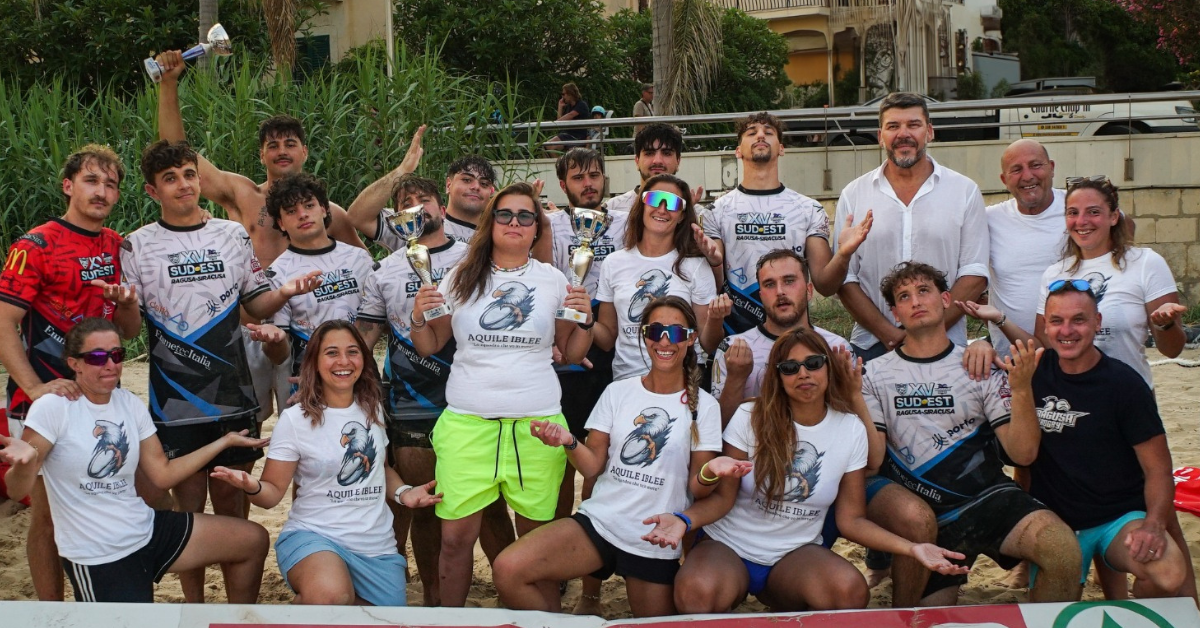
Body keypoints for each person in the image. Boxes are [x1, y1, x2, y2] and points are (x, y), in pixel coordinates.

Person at [121, 139, 320, 602]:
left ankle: (240, 611)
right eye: (170, 179)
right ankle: (194, 607)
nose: (184, 185)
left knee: (232, 507)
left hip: (233, 394)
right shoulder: (138, 243)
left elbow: (254, 304)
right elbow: (128, 327)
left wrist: (285, 292)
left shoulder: (231, 236)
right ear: (153, 191)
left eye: (189, 174)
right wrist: (127, 307)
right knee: (187, 512)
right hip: (175, 398)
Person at [674, 328, 967, 613]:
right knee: (697, 593)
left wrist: (912, 548)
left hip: (793, 555)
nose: (803, 373)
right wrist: (684, 521)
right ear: (778, 375)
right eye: (790, 367)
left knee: (848, 591)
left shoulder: (849, 428)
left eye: (813, 364)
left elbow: (851, 520)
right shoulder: (751, 416)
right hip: (729, 546)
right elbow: (721, 500)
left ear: (828, 368)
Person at [153, 49, 366, 433]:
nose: (281, 151)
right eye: (272, 145)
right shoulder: (242, 194)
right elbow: (177, 153)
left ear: (304, 150)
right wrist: (169, 86)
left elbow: (365, 272)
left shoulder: (328, 212)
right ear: (261, 154)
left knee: (305, 419)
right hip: (247, 325)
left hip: (301, 333)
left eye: (289, 144)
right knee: (246, 421)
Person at [494, 296, 743, 616]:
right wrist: (568, 441)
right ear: (644, 335)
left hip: (653, 537)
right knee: (508, 569)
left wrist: (712, 471)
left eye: (676, 332)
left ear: (691, 338)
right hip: (600, 523)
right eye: (656, 331)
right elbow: (593, 464)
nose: (665, 341)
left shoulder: (704, 406)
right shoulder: (617, 392)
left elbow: (698, 490)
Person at [409, 181, 596, 607]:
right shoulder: (459, 276)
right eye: (505, 214)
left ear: (536, 229)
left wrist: (584, 320)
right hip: (468, 424)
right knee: (455, 541)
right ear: (490, 222)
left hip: (538, 429)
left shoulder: (553, 281)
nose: (515, 222)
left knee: (537, 545)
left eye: (525, 216)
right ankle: (451, 620)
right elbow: (431, 343)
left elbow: (571, 351)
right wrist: (418, 317)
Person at [0, 318, 269, 603]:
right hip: (97, 553)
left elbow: (163, 475)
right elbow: (17, 491)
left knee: (252, 540)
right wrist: (25, 464)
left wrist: (223, 442)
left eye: (117, 355)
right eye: (97, 357)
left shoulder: (128, 402)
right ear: (74, 363)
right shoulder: (53, 407)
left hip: (144, 529)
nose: (110, 364)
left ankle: (237, 621)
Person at [861, 261, 1081, 607]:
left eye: (924, 291)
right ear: (895, 313)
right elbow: (872, 461)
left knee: (1062, 548)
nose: (916, 301)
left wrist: (1021, 389)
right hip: (925, 509)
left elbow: (1022, 455)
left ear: (946, 299)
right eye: (904, 296)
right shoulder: (873, 374)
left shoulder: (980, 365)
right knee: (924, 613)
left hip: (986, 498)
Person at [354, 172, 514, 606]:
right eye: (405, 203)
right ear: (396, 217)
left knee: (492, 506)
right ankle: (432, 598)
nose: (416, 209)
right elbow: (365, 337)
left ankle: (514, 590)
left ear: (440, 208)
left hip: (474, 398)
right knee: (424, 507)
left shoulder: (476, 259)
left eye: (423, 199)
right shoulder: (384, 270)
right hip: (411, 402)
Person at [212, 320, 442, 606]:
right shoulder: (296, 419)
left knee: (377, 619)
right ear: (315, 362)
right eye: (331, 352)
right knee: (331, 596)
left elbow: (380, 470)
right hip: (315, 538)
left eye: (353, 352)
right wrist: (251, 486)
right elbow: (271, 494)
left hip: (376, 549)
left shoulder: (372, 407)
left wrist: (404, 493)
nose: (344, 361)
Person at [0, 145, 140, 601]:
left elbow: (129, 333)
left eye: (110, 184)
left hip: (99, 396)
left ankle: (94, 598)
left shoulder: (117, 246)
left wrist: (127, 307)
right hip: (47, 399)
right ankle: (50, 611)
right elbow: (4, 322)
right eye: (91, 181)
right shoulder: (35, 245)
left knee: (97, 498)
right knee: (46, 515)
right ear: (68, 185)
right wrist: (37, 388)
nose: (101, 192)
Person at [1005, 280, 1194, 599]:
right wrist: (983, 347)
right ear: (1046, 327)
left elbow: (1159, 469)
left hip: (1116, 519)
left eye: (1078, 319)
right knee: (1051, 611)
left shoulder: (1124, 384)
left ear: (1097, 322)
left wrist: (1154, 524)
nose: (1067, 330)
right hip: (1056, 523)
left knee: (1168, 571)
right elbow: (1022, 461)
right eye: (1057, 321)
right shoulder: (1032, 373)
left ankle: (1134, 617)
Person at [832, 92, 989, 361]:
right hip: (873, 346)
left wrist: (933, 329)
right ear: (880, 135)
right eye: (893, 126)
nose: (903, 134)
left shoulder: (964, 191)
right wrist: (888, 332)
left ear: (929, 131)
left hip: (947, 343)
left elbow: (974, 274)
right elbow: (845, 278)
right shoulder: (854, 194)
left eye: (913, 125)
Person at [702, 112, 872, 334]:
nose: (760, 136)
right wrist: (713, 262)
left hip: (794, 342)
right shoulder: (716, 211)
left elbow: (825, 285)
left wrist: (843, 254)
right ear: (738, 151)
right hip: (736, 341)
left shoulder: (808, 209)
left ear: (781, 148)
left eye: (768, 132)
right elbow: (713, 287)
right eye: (752, 133)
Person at [255, 173, 376, 405]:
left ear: (323, 209)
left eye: (309, 205)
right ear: (281, 223)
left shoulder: (359, 259)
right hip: (309, 385)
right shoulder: (277, 274)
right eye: (291, 211)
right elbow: (279, 356)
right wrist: (274, 341)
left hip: (363, 377)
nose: (302, 215)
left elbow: (378, 322)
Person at [594, 174, 723, 382]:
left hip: (683, 381)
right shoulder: (613, 263)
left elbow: (709, 344)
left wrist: (716, 319)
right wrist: (582, 319)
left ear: (682, 215)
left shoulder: (696, 265)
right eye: (654, 199)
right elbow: (607, 339)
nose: (662, 209)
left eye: (672, 203)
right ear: (642, 205)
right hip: (627, 380)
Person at [711, 250, 849, 425]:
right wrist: (736, 379)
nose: (780, 291)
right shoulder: (732, 348)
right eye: (769, 284)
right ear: (760, 296)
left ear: (808, 290)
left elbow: (852, 423)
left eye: (789, 281)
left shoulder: (837, 347)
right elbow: (717, 430)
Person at [604, 124, 692, 214]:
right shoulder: (612, 210)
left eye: (666, 153)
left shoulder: (694, 214)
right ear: (637, 161)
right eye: (649, 153)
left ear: (678, 161)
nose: (657, 161)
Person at [548, 82, 590, 152]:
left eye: (564, 94)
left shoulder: (581, 105)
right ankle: (560, 162)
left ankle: (561, 162)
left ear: (570, 94)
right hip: (567, 135)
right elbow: (560, 121)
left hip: (577, 136)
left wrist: (554, 123)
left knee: (549, 145)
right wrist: (560, 107)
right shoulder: (569, 107)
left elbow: (569, 116)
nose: (563, 97)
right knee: (547, 147)